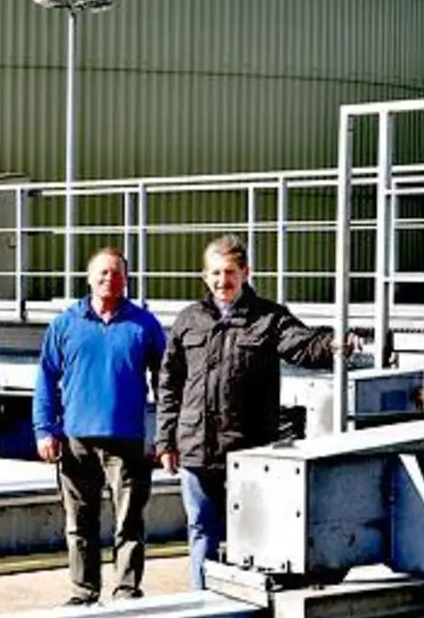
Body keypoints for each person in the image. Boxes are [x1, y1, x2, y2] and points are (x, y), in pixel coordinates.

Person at [155, 235, 362, 589]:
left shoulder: (268, 318)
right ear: (205, 277)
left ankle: (244, 604)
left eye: (231, 272)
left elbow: (303, 344)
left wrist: (335, 344)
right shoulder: (189, 320)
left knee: (249, 534)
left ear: (246, 273)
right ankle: (202, 600)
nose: (223, 281)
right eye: (216, 273)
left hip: (248, 451)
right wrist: (165, 440)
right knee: (201, 529)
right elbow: (170, 384)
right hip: (195, 448)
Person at [33, 246, 168, 606]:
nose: (111, 279)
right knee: (79, 523)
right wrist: (44, 429)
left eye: (118, 273)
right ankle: (83, 592)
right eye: (103, 273)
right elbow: (46, 377)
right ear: (89, 278)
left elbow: (167, 382)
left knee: (129, 524)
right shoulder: (65, 324)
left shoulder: (145, 325)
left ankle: (126, 591)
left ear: (127, 278)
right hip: (76, 440)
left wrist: (162, 434)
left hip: (128, 441)